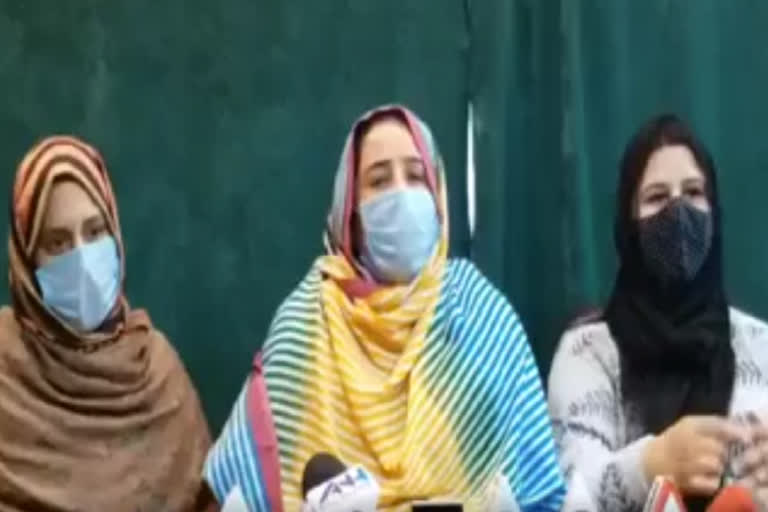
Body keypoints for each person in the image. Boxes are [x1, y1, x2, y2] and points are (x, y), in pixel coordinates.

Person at [203, 105, 566, 511]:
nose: (400, 193)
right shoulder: (305, 321)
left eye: (415, 176)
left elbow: (541, 492)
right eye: (378, 181)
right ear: (350, 212)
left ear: (438, 197)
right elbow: (233, 497)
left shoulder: (480, 313)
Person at [548, 114, 768, 511]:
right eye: (656, 197)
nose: (678, 212)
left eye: (694, 192)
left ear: (715, 214)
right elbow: (567, 497)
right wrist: (651, 465)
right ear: (627, 225)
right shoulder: (587, 352)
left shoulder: (758, 344)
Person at [0, 136, 211, 511]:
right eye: (58, 243)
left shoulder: (154, 371)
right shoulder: (6, 369)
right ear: (28, 261)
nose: (81, 258)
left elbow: (205, 499)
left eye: (95, 232)